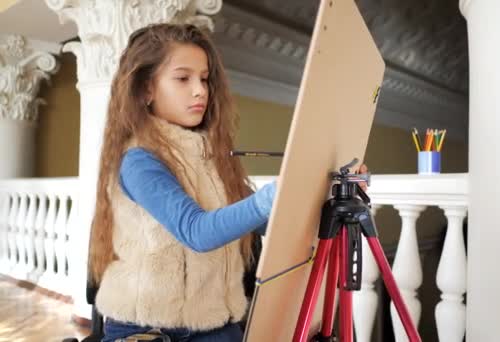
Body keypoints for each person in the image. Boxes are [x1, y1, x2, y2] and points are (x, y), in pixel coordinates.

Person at [89, 23, 369, 342]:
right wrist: (277, 193)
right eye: (183, 78)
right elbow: (197, 231)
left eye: (204, 79)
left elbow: (268, 224)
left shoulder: (212, 155)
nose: (200, 90)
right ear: (145, 89)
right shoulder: (139, 160)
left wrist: (327, 189)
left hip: (215, 323)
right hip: (148, 329)